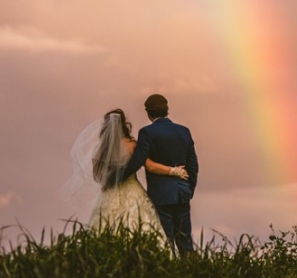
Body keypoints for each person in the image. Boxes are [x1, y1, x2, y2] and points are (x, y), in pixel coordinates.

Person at [65, 108, 188, 235]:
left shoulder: (102, 149)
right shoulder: (132, 145)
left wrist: (111, 179)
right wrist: (174, 171)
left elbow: (97, 177)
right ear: (124, 125)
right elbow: (150, 166)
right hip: (132, 191)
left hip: (109, 194)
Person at [122, 94, 199, 255]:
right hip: (182, 193)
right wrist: (189, 189)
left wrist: (117, 178)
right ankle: (194, 275)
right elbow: (193, 164)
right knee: (186, 243)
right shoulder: (184, 131)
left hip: (161, 195)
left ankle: (169, 277)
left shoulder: (147, 133)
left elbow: (138, 160)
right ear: (167, 110)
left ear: (148, 113)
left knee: (165, 240)